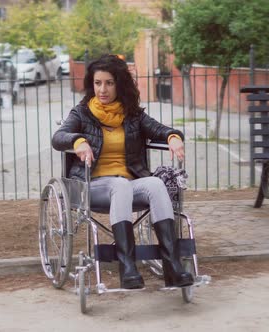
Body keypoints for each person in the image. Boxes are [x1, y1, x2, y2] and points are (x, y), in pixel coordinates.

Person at [52, 54, 194, 290]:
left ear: (120, 84)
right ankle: (127, 267)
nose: (102, 89)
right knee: (120, 185)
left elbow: (161, 129)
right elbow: (59, 138)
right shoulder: (81, 113)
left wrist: (173, 137)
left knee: (155, 184)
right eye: (98, 83)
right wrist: (78, 141)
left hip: (127, 185)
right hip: (92, 186)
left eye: (109, 83)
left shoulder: (133, 115)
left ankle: (173, 266)